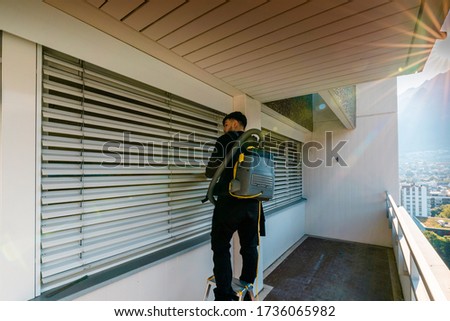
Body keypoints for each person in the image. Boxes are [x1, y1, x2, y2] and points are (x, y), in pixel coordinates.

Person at [205, 111, 265, 301]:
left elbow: (211, 171)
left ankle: (224, 297)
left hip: (229, 202)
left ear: (234, 123)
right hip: (253, 205)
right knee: (249, 247)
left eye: (225, 124)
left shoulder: (225, 140)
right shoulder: (257, 144)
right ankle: (247, 293)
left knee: (221, 246)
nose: (224, 128)